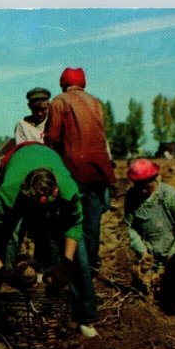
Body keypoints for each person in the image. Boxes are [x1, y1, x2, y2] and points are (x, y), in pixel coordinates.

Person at [0, 143, 99, 344]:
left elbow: (74, 225)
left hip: (49, 166)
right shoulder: (8, 194)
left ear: (54, 193)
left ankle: (86, 318)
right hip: (17, 163)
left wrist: (65, 263)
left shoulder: (68, 191)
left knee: (79, 256)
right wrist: (2, 269)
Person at [43, 67, 116, 272]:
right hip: (100, 171)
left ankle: (70, 265)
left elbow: (53, 138)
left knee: (68, 219)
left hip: (75, 170)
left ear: (63, 83)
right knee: (92, 221)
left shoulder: (59, 101)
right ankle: (91, 265)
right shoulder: (95, 102)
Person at [124, 158, 175, 267]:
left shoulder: (168, 194)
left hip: (172, 253)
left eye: (145, 186)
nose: (141, 190)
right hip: (148, 256)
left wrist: (174, 252)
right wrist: (142, 252)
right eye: (137, 185)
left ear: (153, 179)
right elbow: (130, 228)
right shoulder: (132, 196)